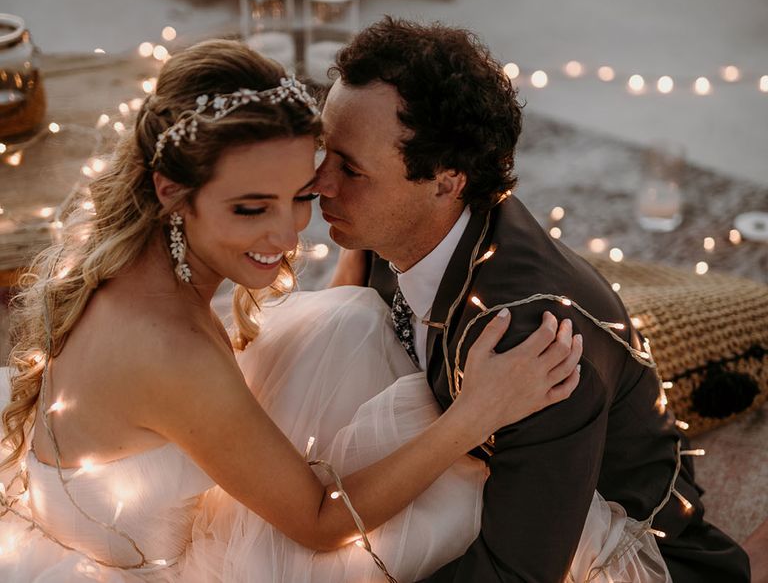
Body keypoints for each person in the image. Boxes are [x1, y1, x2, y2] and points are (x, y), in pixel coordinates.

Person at [0, 39, 584, 582]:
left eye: (302, 195)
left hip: (128, 485)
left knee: (347, 317)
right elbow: (322, 524)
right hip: (149, 563)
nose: (285, 236)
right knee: (453, 501)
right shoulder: (167, 346)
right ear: (172, 190)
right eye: (252, 208)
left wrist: (354, 260)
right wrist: (474, 415)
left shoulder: (139, 259)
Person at [315, 17, 753, 582]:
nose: (320, 184)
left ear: (447, 181)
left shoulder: (535, 345)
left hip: (592, 542)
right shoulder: (393, 228)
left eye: (350, 169)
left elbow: (516, 571)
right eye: (325, 152)